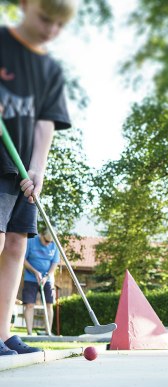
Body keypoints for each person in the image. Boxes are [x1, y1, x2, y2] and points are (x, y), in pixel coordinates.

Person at [0, 0, 76, 355]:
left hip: (24, 169)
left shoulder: (49, 69)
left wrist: (38, 168)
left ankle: (2, 333)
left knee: (17, 244)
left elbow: (47, 121)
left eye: (59, 25)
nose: (50, 30)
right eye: (45, 19)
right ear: (24, 5)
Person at [22, 228, 59, 335]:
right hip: (31, 278)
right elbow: (23, 259)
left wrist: (47, 277)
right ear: (41, 235)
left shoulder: (54, 244)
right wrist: (35, 272)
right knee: (29, 305)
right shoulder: (31, 241)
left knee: (49, 305)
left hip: (47, 279)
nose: (48, 244)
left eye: (50, 242)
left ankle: (48, 332)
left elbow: (54, 263)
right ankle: (29, 333)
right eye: (46, 241)